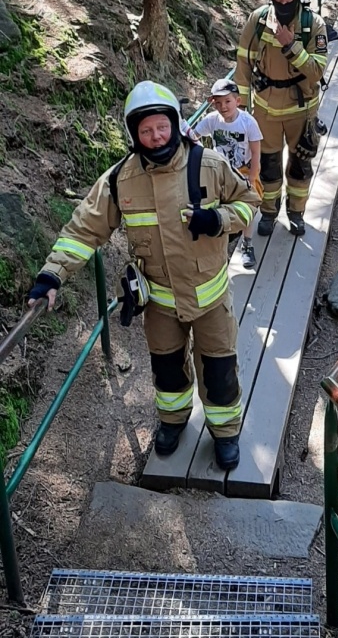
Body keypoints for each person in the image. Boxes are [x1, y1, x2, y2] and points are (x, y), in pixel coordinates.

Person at [27, 81, 260, 469]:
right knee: (167, 372)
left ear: (175, 123)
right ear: (134, 132)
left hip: (212, 300)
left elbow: (251, 201)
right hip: (160, 306)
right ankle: (173, 421)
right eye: (146, 130)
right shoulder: (120, 180)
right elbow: (84, 230)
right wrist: (52, 275)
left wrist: (219, 219)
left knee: (219, 372)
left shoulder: (210, 165)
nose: (155, 137)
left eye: (162, 127)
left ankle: (225, 431)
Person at [234, 0, 328, 239]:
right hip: (265, 110)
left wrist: (290, 45)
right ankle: (269, 212)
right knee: (267, 165)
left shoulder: (314, 25)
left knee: (300, 165)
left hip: (302, 110)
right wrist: (240, 106)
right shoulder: (259, 20)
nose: (283, 2)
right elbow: (243, 62)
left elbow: (317, 71)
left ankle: (297, 214)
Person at [195, 78, 263, 270]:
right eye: (218, 102)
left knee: (247, 205)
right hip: (219, 171)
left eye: (227, 101)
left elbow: (256, 152)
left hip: (243, 169)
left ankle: (247, 244)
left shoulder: (248, 122)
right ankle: (220, 250)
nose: (223, 106)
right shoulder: (211, 120)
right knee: (219, 206)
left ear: (237, 101)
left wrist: (251, 177)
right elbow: (193, 136)